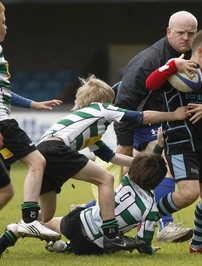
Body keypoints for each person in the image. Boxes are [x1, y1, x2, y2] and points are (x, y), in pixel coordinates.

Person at [0, 74, 190, 257]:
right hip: (56, 149)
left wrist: (141, 164)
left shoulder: (85, 125)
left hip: (46, 152)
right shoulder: (101, 108)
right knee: (105, 179)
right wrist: (173, 115)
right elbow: (142, 117)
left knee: (46, 216)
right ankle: (112, 234)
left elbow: (112, 157)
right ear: (105, 101)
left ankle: (11, 233)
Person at [113, 10, 202, 243]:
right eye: (181, 33)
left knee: (158, 171)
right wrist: (124, 143)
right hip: (140, 119)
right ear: (169, 32)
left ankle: (162, 225)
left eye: (191, 33)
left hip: (175, 122)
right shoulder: (151, 59)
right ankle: (150, 222)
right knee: (148, 170)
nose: (186, 38)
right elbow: (124, 102)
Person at [3, 136, 168, 256]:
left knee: (48, 222)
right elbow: (143, 242)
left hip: (76, 222)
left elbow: (147, 165)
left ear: (135, 170)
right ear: (158, 180)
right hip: (91, 245)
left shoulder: (127, 181)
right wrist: (148, 250)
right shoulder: (151, 209)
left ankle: (16, 230)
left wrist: (159, 145)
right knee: (111, 245)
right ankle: (65, 247)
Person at [146, 28, 202, 254]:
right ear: (200, 51)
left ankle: (199, 245)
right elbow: (150, 83)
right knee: (187, 194)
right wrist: (172, 65)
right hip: (179, 143)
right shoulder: (176, 72)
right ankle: (147, 215)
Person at [0, 1, 63, 243]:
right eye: (3, 22)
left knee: (5, 181)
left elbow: (4, 92)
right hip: (3, 123)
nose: (6, 27)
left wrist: (33, 104)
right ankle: (29, 221)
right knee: (37, 161)